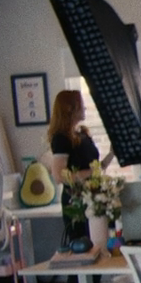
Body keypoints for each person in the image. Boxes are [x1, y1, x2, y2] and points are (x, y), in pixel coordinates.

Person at [46, 89, 115, 242]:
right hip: (76, 201)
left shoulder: (82, 134)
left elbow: (96, 168)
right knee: (82, 241)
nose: (84, 108)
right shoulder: (61, 139)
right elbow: (59, 176)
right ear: (69, 108)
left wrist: (111, 154)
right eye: (81, 104)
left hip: (93, 197)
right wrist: (91, 173)